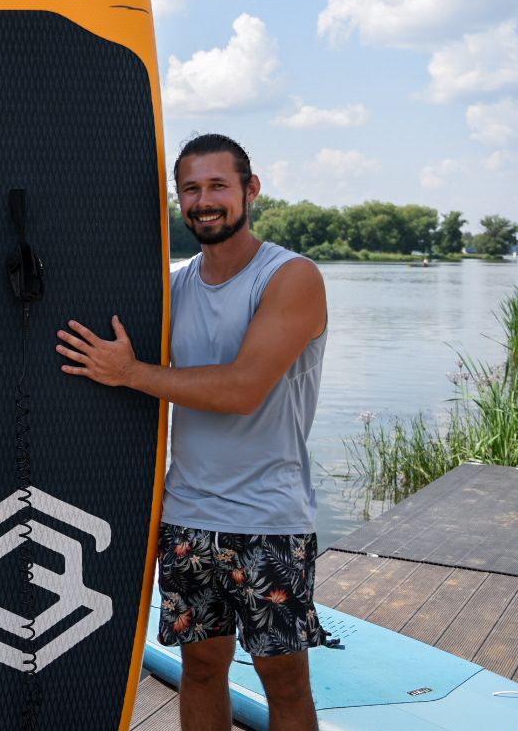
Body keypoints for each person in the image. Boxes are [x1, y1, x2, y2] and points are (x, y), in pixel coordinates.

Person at [55, 133, 328, 731]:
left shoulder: (291, 277)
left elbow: (242, 389)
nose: (204, 201)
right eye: (190, 189)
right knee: (200, 669)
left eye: (218, 186)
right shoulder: (173, 287)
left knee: (284, 681)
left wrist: (130, 373)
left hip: (267, 518)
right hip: (186, 516)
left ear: (251, 190)